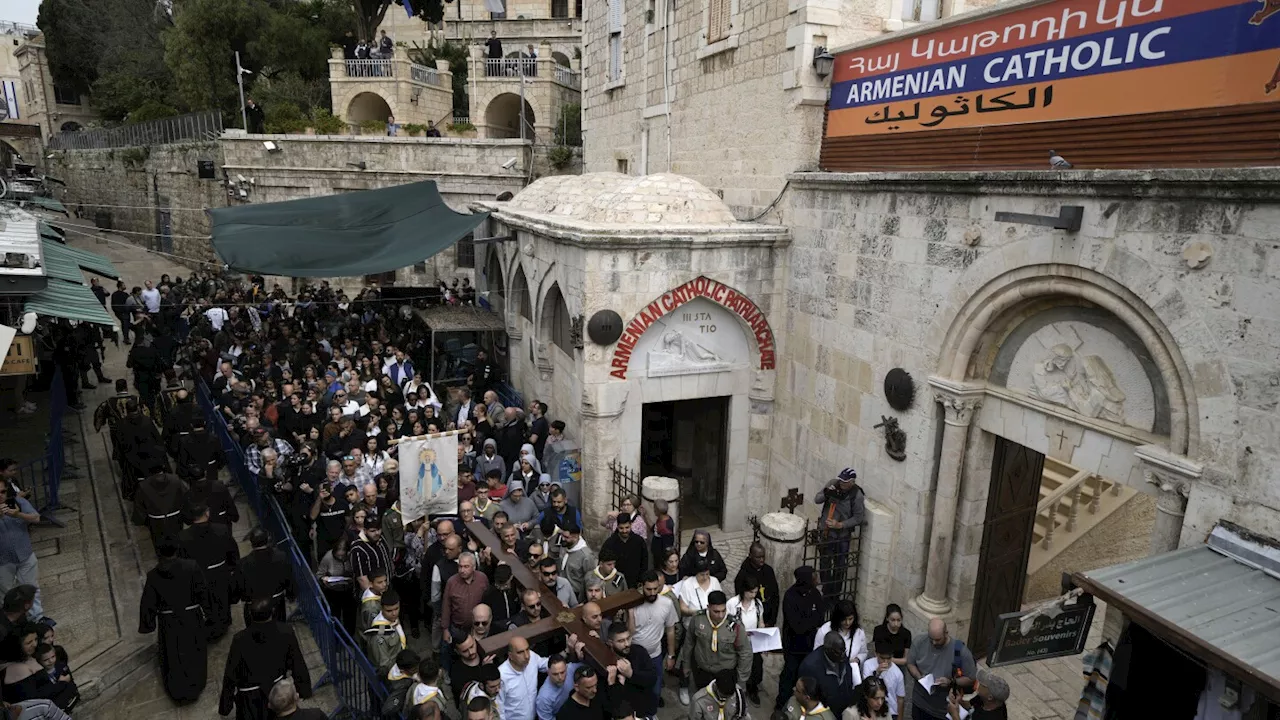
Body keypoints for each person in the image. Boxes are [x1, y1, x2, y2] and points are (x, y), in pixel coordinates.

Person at [139, 542, 212, 703]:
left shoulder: (153, 575)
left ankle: (177, 689)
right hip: (191, 618)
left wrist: (148, 623)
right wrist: (209, 613)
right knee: (194, 651)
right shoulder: (191, 567)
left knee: (173, 654)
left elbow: (148, 602)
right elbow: (203, 591)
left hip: (168, 623)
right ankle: (195, 685)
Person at [218, 599, 312, 720]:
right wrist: (303, 689)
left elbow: (230, 675)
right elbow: (297, 663)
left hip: (250, 701)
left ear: (250, 615)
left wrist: (226, 706)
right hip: (277, 693)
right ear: (273, 611)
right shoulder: (285, 632)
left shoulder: (239, 640)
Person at [178, 503, 240, 640]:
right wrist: (232, 568)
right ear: (206, 513)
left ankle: (211, 625)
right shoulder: (221, 529)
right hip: (220, 573)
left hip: (199, 576)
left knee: (206, 602)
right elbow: (232, 551)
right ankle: (224, 622)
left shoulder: (183, 537)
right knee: (223, 599)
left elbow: (182, 561)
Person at [680, 590, 750, 701]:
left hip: (726, 672)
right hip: (702, 670)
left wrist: (741, 679)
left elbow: (745, 652)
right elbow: (689, 642)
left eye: (723, 610)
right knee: (705, 700)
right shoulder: (698, 619)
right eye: (716, 612)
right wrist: (686, 665)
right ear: (708, 607)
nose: (721, 615)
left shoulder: (735, 625)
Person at [776, 566, 825, 711]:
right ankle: (781, 705)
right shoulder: (790, 596)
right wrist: (811, 620)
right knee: (789, 675)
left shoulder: (815, 594)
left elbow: (820, 618)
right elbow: (796, 626)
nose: (816, 580)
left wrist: (808, 621)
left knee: (807, 678)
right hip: (793, 646)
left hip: (809, 646)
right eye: (813, 577)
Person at [906, 619, 976, 720]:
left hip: (942, 711)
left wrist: (950, 681)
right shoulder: (919, 641)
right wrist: (920, 677)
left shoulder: (960, 651)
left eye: (938, 639)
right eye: (931, 639)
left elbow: (971, 678)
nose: (934, 643)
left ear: (946, 633)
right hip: (919, 703)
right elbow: (910, 664)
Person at [626, 571, 677, 710]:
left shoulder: (666, 603)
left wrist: (671, 655)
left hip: (655, 655)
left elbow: (670, 630)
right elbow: (629, 634)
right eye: (649, 589)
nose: (653, 592)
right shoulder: (632, 603)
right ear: (641, 586)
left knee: (655, 688)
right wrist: (630, 613)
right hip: (635, 657)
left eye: (656, 588)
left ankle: (652, 712)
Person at [814, 468, 865, 597]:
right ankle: (825, 591)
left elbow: (858, 518)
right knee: (824, 563)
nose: (841, 483)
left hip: (842, 536)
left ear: (852, 482)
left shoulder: (856, 495)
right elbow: (817, 499)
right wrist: (827, 493)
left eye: (845, 481)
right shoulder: (833, 483)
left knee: (839, 566)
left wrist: (840, 525)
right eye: (841, 480)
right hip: (826, 533)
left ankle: (835, 594)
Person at [0, 485, 43, 621]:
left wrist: (18, 514)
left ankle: (37, 619)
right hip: (3, 561)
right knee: (6, 593)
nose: (0, 495)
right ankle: (11, 622)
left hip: (25, 554)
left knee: (31, 589)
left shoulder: (17, 502)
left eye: (2, 491)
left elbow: (36, 518)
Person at [238, 527, 294, 624]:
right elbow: (288, 578)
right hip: (276, 604)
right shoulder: (281, 557)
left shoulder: (243, 563)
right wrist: (291, 594)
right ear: (267, 540)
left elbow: (238, 586)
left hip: (253, 607)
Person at [798, 632, 860, 718]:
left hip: (844, 711)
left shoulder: (840, 654)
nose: (843, 655)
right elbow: (808, 698)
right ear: (827, 650)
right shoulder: (810, 667)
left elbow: (848, 679)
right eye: (838, 652)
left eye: (844, 651)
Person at [724, 572, 764, 705]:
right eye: (751, 592)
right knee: (736, 667)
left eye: (755, 592)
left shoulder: (757, 604)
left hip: (754, 643)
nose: (753, 595)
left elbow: (761, 621)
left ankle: (752, 689)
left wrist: (762, 631)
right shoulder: (732, 604)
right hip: (737, 643)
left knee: (756, 668)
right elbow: (727, 626)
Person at [496, 636, 549, 720]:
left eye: (527, 649)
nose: (527, 656)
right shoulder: (502, 676)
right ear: (510, 655)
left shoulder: (532, 657)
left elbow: (546, 664)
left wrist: (566, 653)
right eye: (520, 652)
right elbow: (499, 708)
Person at [363, 589, 407, 675]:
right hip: (392, 673)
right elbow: (384, 665)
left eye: (396, 609)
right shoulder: (379, 635)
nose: (394, 613)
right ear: (381, 608)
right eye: (389, 611)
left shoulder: (392, 619)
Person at [600, 513, 647, 589]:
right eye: (621, 528)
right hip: (615, 583)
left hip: (634, 582)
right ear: (617, 527)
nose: (624, 531)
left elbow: (644, 561)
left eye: (627, 527)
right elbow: (602, 562)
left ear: (631, 525)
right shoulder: (610, 543)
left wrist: (641, 579)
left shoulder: (639, 541)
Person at [813, 600, 868, 664]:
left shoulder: (859, 632)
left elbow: (863, 652)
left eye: (850, 619)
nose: (847, 623)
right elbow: (816, 654)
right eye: (844, 619)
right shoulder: (824, 631)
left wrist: (857, 660)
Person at [861, 643, 905, 720]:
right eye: (882, 658)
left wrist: (899, 717)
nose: (886, 661)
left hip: (891, 712)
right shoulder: (868, 664)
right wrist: (877, 673)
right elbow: (866, 688)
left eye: (889, 658)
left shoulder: (898, 673)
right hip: (872, 710)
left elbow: (900, 698)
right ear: (876, 654)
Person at [558, 522, 595, 600]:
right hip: (561, 588)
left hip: (576, 594)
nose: (563, 539)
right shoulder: (565, 546)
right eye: (562, 535)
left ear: (575, 537)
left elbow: (590, 579)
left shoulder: (586, 556)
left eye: (566, 537)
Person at [535, 654, 579, 720]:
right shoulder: (543, 698)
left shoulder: (571, 669)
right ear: (548, 672)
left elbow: (590, 666)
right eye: (555, 674)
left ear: (566, 668)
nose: (560, 677)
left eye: (562, 672)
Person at [871, 604, 912, 669]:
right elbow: (874, 651)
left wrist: (888, 660)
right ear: (887, 618)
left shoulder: (906, 634)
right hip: (879, 663)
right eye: (893, 620)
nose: (896, 624)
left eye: (898, 620)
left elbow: (905, 660)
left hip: (897, 666)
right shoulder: (878, 630)